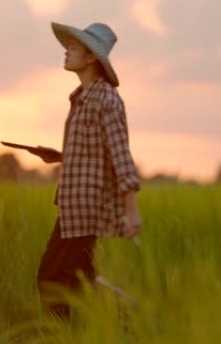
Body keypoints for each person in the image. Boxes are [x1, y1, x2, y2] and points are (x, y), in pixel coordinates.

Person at [29, 22, 142, 320]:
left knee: (52, 276)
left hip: (86, 207)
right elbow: (95, 151)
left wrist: (132, 210)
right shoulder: (81, 98)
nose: (67, 51)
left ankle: (127, 322)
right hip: (71, 204)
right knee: (78, 280)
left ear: (92, 57)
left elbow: (120, 156)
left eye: (74, 47)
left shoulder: (106, 99)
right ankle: (130, 324)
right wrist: (61, 156)